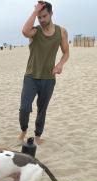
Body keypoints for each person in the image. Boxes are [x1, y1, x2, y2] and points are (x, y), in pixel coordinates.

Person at [18, 1, 69, 145]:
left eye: (44, 16)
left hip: (49, 78)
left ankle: (38, 135)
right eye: (39, 17)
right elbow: (24, 31)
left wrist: (60, 64)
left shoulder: (61, 32)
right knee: (24, 108)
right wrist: (35, 12)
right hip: (31, 77)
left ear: (51, 14)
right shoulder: (35, 31)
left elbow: (66, 52)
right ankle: (23, 130)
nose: (42, 20)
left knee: (42, 108)